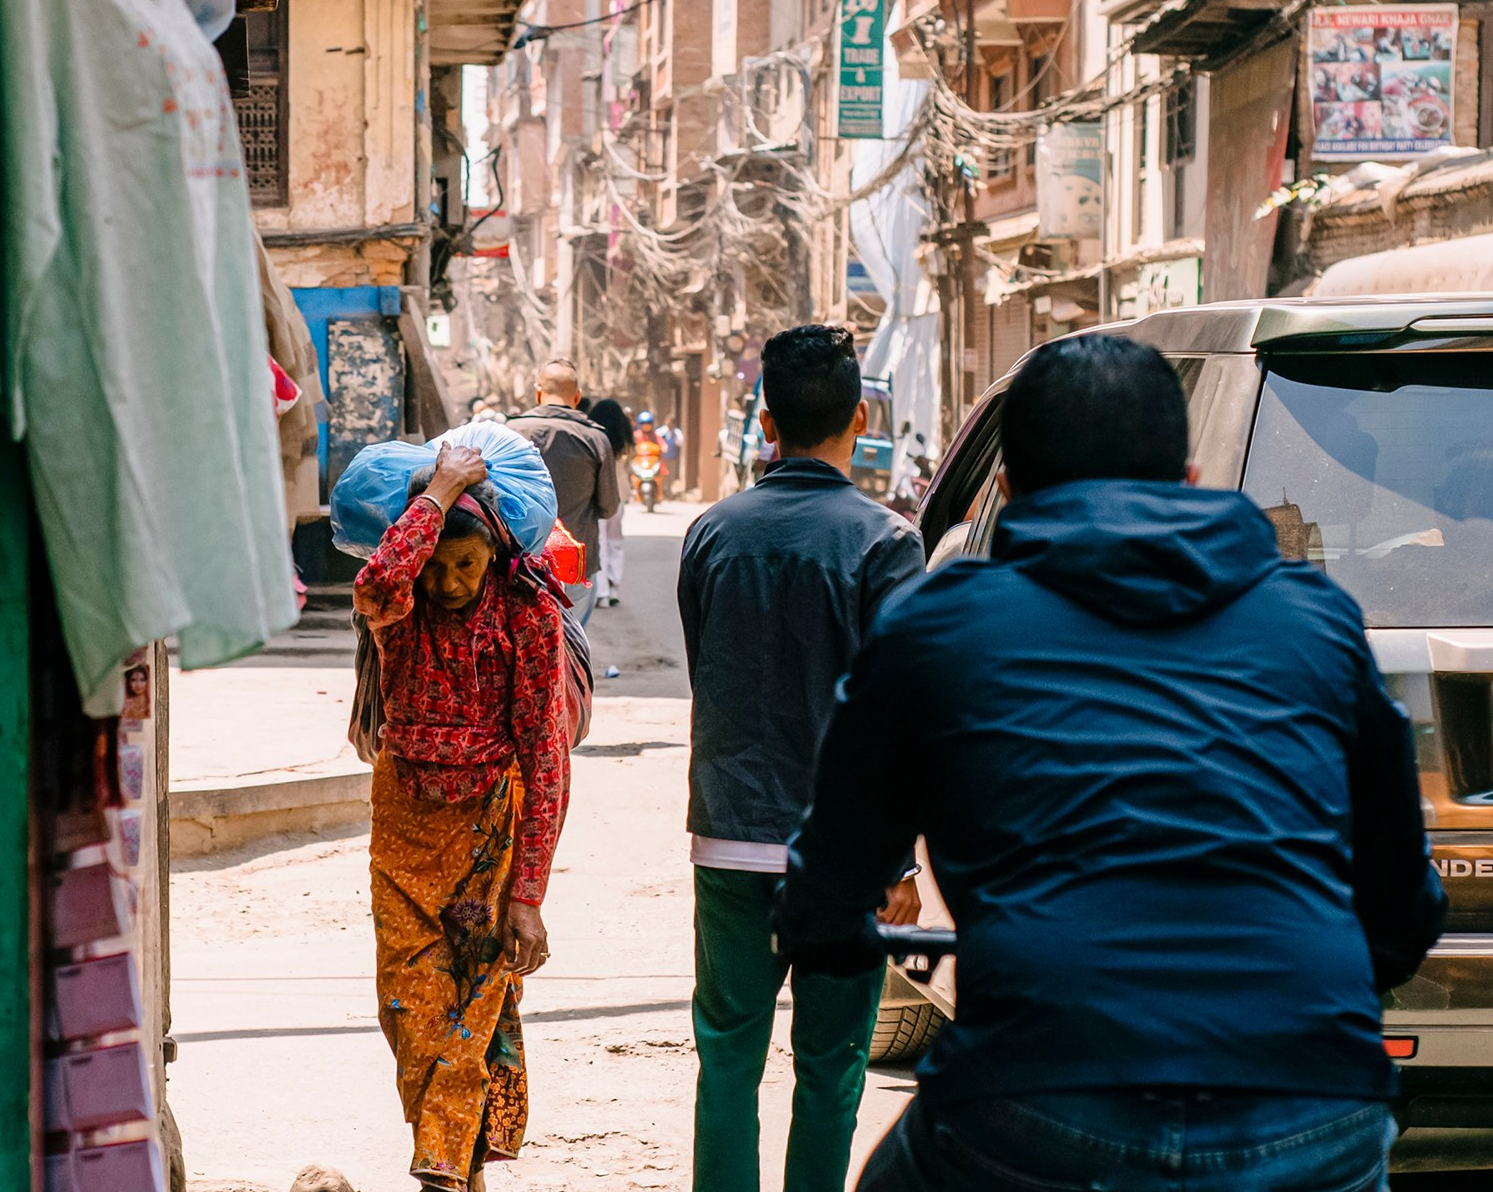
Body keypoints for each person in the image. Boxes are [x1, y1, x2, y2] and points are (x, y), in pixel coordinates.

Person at [776, 334, 1448, 1192]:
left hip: (1036, 1104)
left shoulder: (940, 628)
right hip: (1311, 1103)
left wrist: (828, 933)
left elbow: (826, 891)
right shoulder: (1314, 621)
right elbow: (1401, 907)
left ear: (1008, 489)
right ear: (1192, 480)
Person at [676, 325, 927, 1192]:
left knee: (728, 1059)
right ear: (860, 417)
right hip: (844, 856)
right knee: (830, 1068)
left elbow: (709, 666)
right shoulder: (887, 543)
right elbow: (901, 710)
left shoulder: (712, 533)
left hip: (730, 838)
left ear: (766, 420)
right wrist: (898, 858)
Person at [353, 443, 572, 1192]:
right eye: (437, 563)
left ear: (495, 556)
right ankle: (455, 1167)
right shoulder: (402, 605)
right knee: (408, 1007)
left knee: (471, 1011)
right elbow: (377, 580)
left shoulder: (527, 613)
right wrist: (440, 492)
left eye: (466, 566)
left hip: (488, 834)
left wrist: (529, 894)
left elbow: (545, 753)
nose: (447, 582)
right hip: (404, 828)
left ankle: (444, 1174)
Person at [510, 361, 621, 624]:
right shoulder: (596, 439)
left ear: (538, 393)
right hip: (575, 566)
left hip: (519, 563)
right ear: (578, 397)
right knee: (569, 645)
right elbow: (608, 506)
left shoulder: (512, 432)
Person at [585, 399, 635, 607]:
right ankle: (614, 586)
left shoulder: (593, 438)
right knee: (616, 539)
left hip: (598, 494)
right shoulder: (625, 441)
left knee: (600, 541)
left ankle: (602, 592)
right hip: (620, 494)